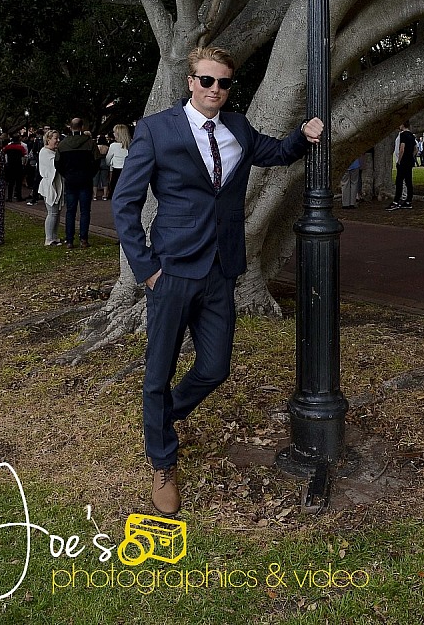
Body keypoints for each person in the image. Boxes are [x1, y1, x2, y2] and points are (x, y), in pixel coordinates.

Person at [112, 45, 323, 517]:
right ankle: (162, 461)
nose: (215, 90)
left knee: (214, 367)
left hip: (219, 273)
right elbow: (124, 203)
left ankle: (161, 420)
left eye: (223, 83)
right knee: (157, 372)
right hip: (171, 272)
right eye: (206, 81)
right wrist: (146, 268)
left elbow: (277, 152)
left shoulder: (239, 128)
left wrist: (304, 135)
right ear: (190, 82)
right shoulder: (156, 130)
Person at [55, 118, 100, 249]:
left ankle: (69, 240)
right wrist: (90, 173)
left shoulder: (63, 144)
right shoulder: (90, 143)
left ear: (70, 127)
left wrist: (66, 174)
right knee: (85, 211)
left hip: (70, 179)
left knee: (70, 210)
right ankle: (83, 239)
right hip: (85, 178)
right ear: (81, 127)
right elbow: (97, 160)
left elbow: (58, 163)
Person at [38, 130, 64, 246]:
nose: (58, 140)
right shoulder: (45, 152)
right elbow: (53, 165)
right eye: (55, 138)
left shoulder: (54, 152)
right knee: (52, 212)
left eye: (58, 138)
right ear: (48, 139)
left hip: (57, 183)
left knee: (57, 212)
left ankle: (54, 236)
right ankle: (48, 239)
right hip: (49, 185)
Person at [387, 121, 416, 210]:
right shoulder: (411, 135)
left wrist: (399, 160)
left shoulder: (403, 135)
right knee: (408, 181)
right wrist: (412, 156)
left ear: (403, 125)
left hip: (403, 162)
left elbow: (402, 148)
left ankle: (396, 201)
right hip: (409, 161)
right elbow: (416, 149)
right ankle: (408, 201)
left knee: (399, 181)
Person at [106, 124, 131, 199]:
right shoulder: (131, 144)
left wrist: (109, 164)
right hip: (127, 169)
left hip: (116, 169)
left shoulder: (113, 145)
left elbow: (108, 158)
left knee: (115, 188)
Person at [2, 132, 27, 201]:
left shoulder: (8, 147)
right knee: (18, 183)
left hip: (10, 166)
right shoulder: (21, 147)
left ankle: (9, 197)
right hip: (18, 166)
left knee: (11, 183)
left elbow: (3, 153)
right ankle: (19, 197)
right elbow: (24, 156)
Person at [93, 134, 110, 201]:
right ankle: (105, 195)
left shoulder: (97, 147)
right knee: (105, 179)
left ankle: (94, 195)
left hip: (97, 163)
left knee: (95, 180)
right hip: (104, 162)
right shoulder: (107, 147)